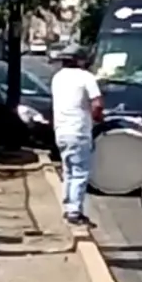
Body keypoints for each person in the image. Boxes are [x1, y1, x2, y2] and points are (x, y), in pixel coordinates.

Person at [50, 44, 103, 225]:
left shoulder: (57, 78)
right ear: (80, 60)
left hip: (61, 131)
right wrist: (97, 119)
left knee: (68, 170)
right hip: (78, 130)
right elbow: (97, 104)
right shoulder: (86, 77)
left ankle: (68, 207)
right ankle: (74, 212)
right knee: (80, 172)